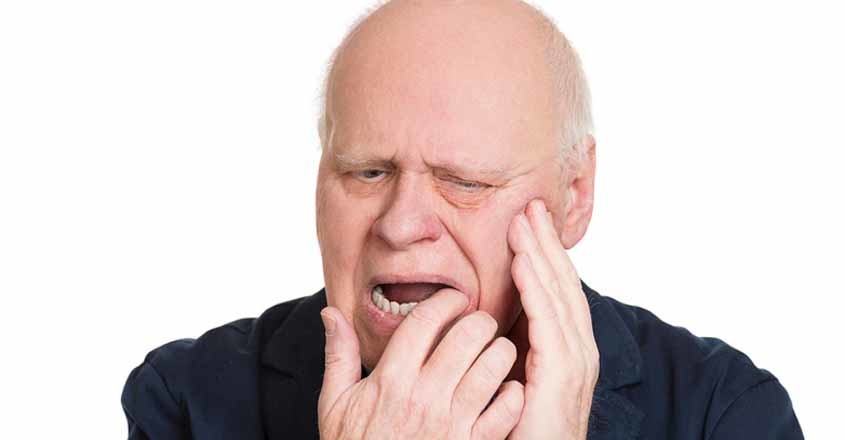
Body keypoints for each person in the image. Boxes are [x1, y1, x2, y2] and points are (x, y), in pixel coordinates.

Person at [121, 0, 804, 438]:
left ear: (574, 196)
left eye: (466, 182)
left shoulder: (724, 411)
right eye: (366, 171)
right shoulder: (185, 400)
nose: (400, 224)